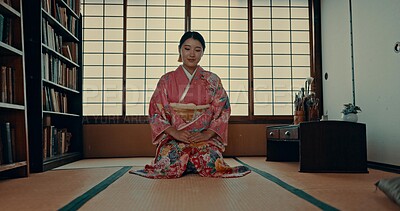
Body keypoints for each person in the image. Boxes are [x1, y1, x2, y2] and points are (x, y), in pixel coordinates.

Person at [130, 31, 251, 179]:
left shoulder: (213, 80)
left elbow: (223, 110)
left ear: (203, 53)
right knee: (169, 159)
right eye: (187, 49)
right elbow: (156, 111)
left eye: (197, 50)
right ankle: (186, 165)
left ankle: (189, 165)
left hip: (204, 138)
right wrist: (176, 133)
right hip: (174, 137)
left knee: (210, 160)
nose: (192, 54)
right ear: (180, 50)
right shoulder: (166, 80)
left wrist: (206, 134)